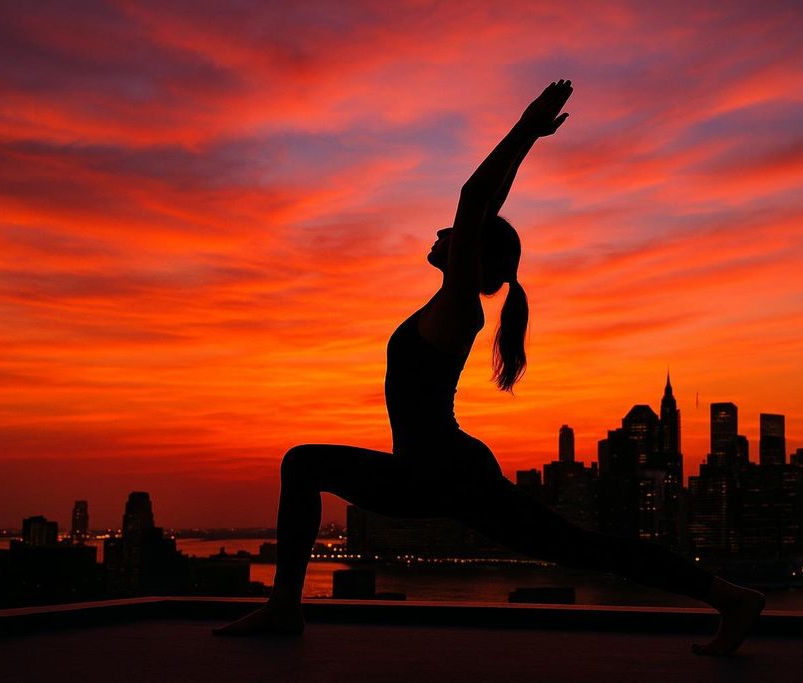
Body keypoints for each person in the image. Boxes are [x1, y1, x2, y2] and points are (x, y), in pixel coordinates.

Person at [214, 80, 765, 655]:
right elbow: (479, 211)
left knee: (305, 465)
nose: (438, 233)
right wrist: (524, 141)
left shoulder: (458, 307)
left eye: (449, 234)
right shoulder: (452, 307)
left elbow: (475, 201)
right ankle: (730, 598)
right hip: (433, 470)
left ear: (470, 253)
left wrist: (526, 130)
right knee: (577, 545)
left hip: (444, 473)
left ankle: (283, 610)